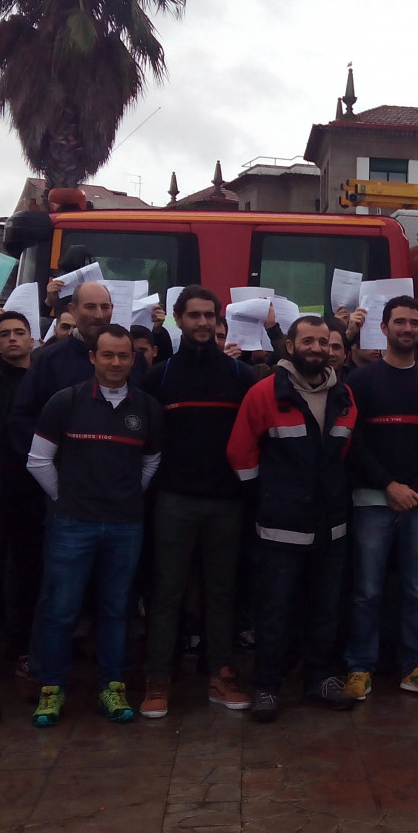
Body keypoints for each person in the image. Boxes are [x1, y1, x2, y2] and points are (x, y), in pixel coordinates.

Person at [27, 324, 163, 726]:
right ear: (92, 357)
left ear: (132, 359)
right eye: (108, 355)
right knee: (61, 611)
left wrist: (125, 496)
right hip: (73, 525)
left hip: (125, 526)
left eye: (123, 355)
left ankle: (112, 686)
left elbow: (151, 462)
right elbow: (38, 460)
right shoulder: (64, 402)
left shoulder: (147, 408)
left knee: (115, 610)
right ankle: (51, 690)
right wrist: (65, 498)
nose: (116, 362)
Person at [226, 316, 359, 722]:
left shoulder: (345, 396)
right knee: (274, 611)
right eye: (308, 341)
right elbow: (240, 451)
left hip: (330, 525)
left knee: (325, 609)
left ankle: (320, 680)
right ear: (290, 346)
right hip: (280, 527)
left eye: (323, 341)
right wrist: (264, 496)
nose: (316, 348)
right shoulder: (265, 393)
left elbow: (343, 455)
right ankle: (266, 686)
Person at [138, 286, 254, 719]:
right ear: (178, 320)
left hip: (227, 503)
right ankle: (157, 680)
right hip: (173, 501)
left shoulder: (241, 377)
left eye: (209, 315)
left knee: (222, 592)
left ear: (219, 320)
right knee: (167, 591)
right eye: (194, 315)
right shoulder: (159, 377)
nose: (202, 323)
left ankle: (221, 676)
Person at [342, 296, 418, 700]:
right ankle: (359, 667)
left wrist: (417, 488)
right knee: (367, 590)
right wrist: (389, 485)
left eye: (412, 323)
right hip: (372, 501)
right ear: (384, 328)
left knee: (417, 590)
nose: (406, 329)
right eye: (399, 322)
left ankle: (416, 666)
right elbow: (353, 441)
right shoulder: (361, 381)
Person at [12, 282, 148, 453]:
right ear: (72, 309)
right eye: (90, 307)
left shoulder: (135, 360)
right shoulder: (49, 360)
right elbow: (23, 419)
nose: (99, 315)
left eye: (105, 307)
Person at [0, 311, 42, 682]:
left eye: (19, 332)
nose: (12, 338)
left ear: (32, 339)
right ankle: (12, 642)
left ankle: (34, 641)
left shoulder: (41, 379)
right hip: (4, 487)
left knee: (34, 568)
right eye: (5, 333)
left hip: (38, 489)